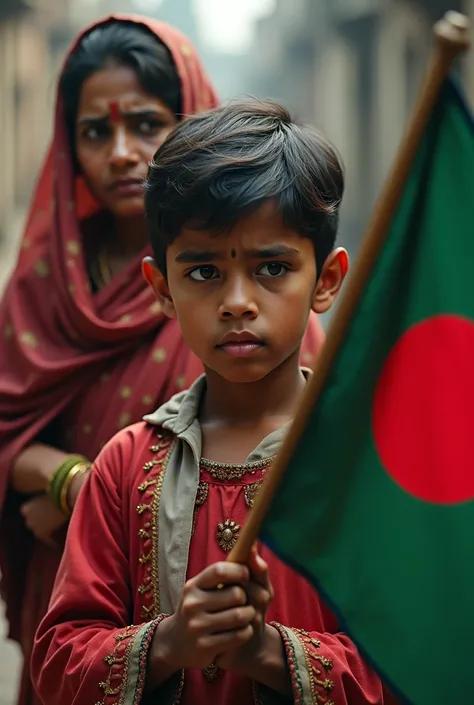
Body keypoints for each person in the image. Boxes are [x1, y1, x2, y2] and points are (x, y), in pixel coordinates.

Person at [32, 100, 397, 705]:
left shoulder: (362, 465)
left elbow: (416, 660)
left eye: (272, 267)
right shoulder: (126, 466)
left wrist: (268, 655)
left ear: (326, 280)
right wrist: (170, 642)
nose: (236, 302)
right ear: (162, 289)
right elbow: (57, 661)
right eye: (203, 272)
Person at [0, 16, 221, 705]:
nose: (123, 153)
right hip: (67, 603)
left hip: (197, 611)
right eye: (97, 130)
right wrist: (71, 477)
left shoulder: (237, 279)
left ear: (191, 123)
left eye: (148, 124)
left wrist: (83, 499)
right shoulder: (45, 280)